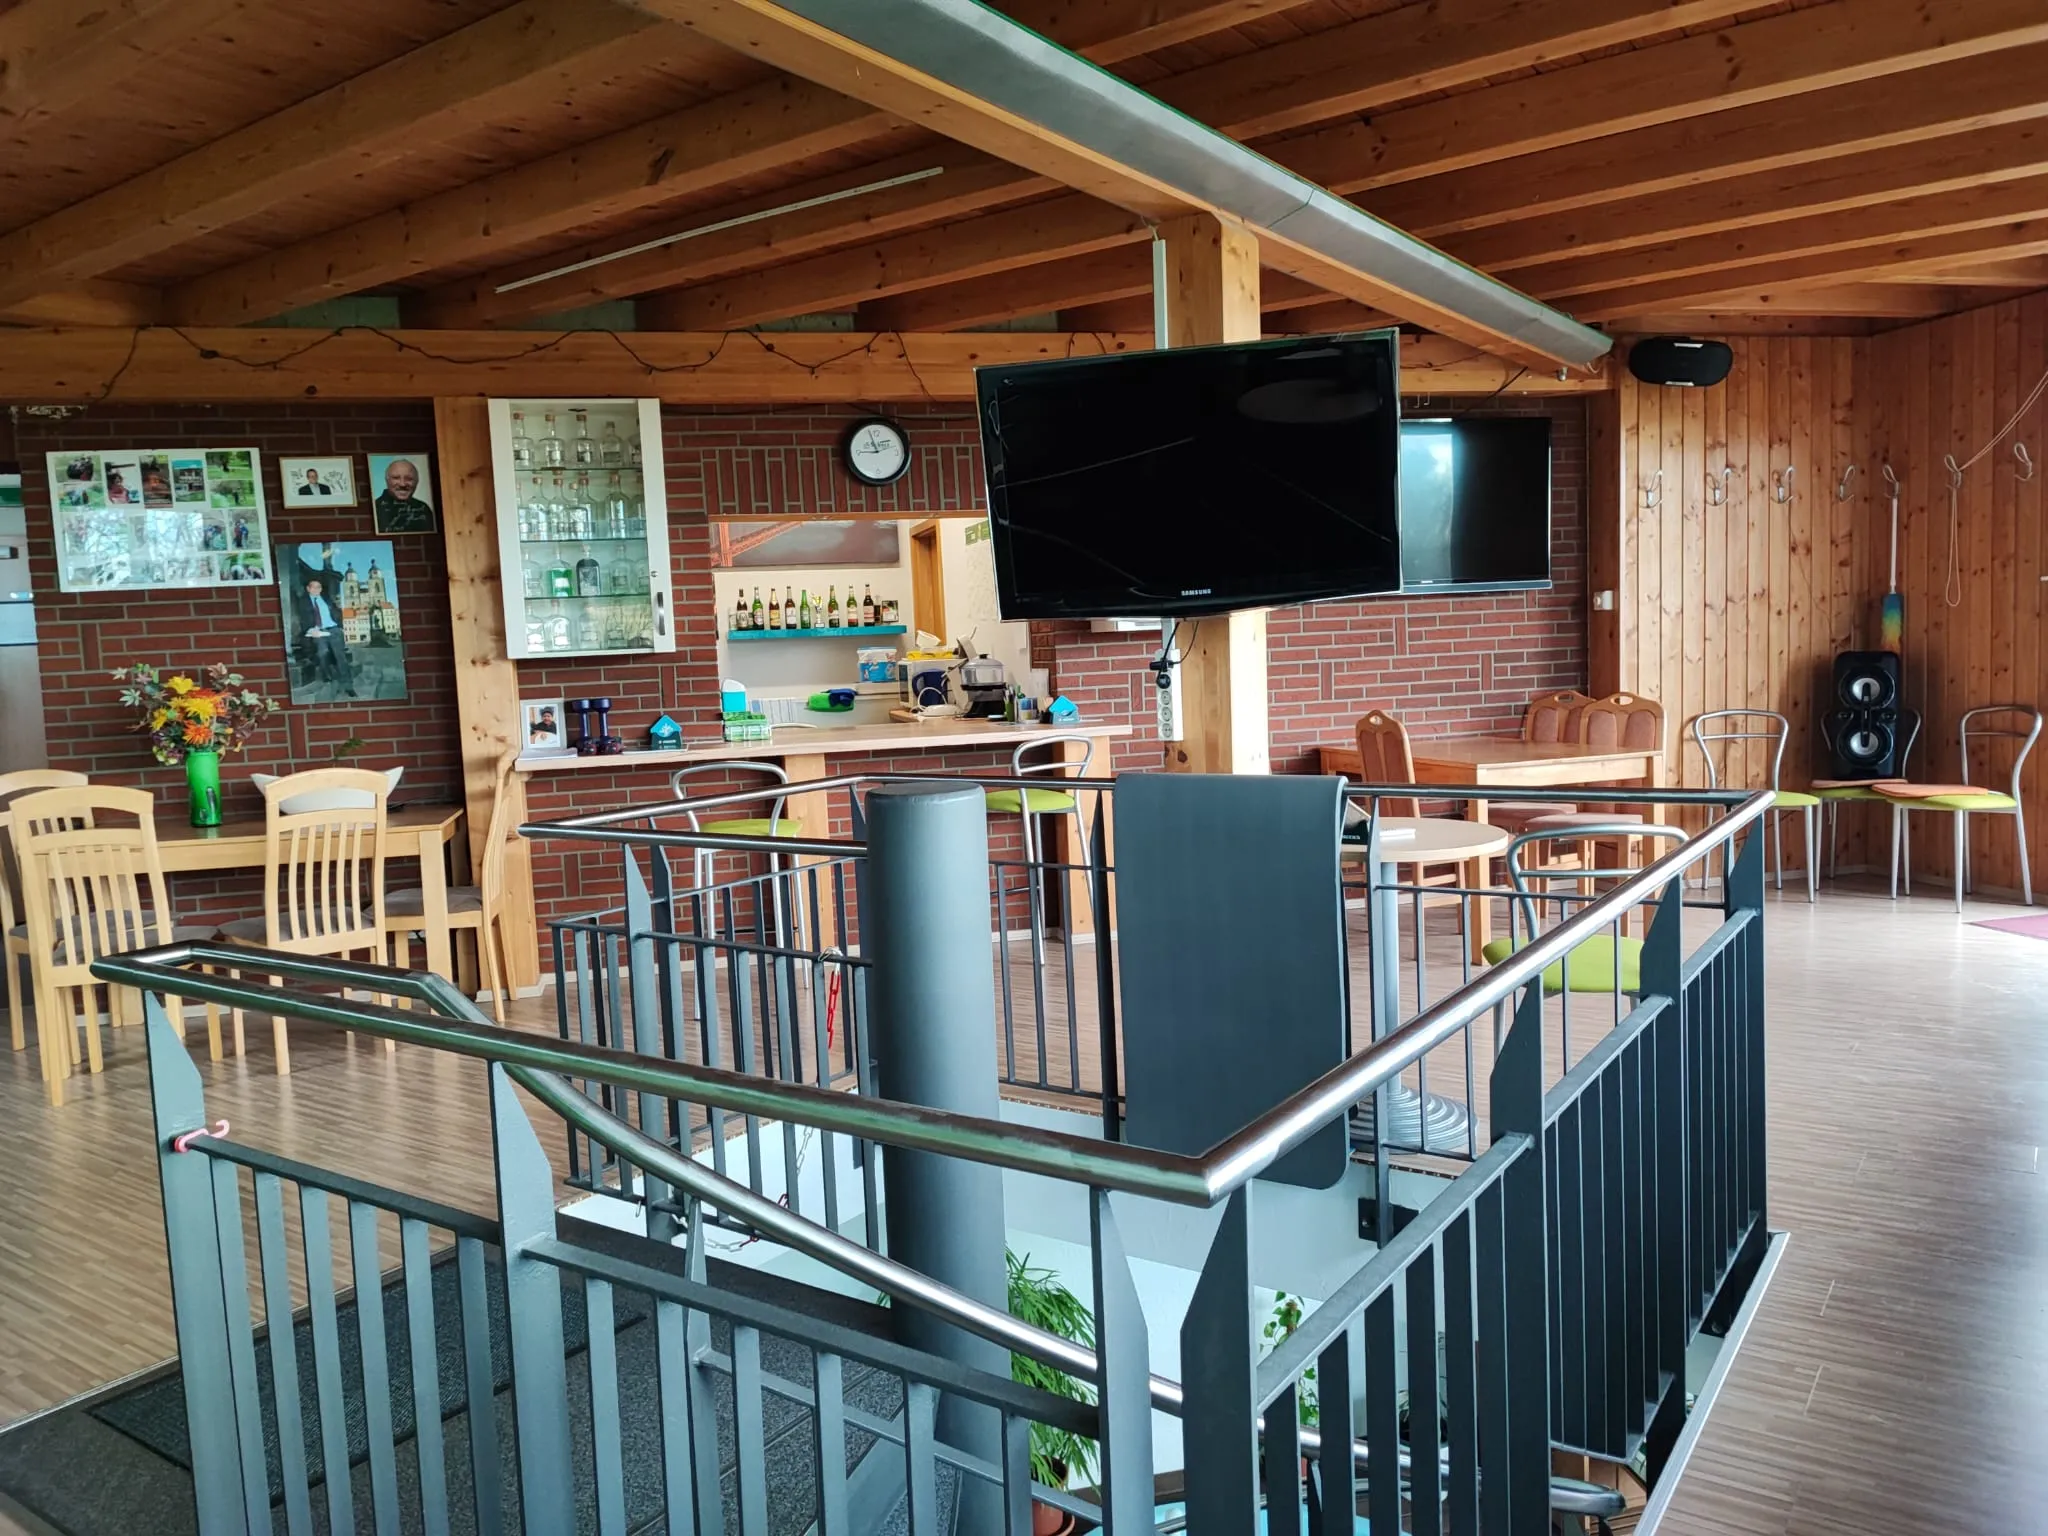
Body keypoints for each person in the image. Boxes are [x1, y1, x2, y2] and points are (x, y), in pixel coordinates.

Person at [297, 576, 356, 697]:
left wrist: (340, 626)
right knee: (322, 653)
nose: (316, 589)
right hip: (318, 631)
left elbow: (337, 611)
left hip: (334, 630)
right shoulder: (304, 602)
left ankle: (348, 686)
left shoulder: (326, 598)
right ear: (308, 589)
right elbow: (303, 618)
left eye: (318, 587)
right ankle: (328, 678)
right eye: (313, 587)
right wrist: (311, 629)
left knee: (341, 658)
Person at [374, 458, 435, 532]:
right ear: (387, 480)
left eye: (409, 479)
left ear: (417, 481)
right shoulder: (375, 509)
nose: (402, 484)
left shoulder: (424, 509)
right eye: (396, 478)